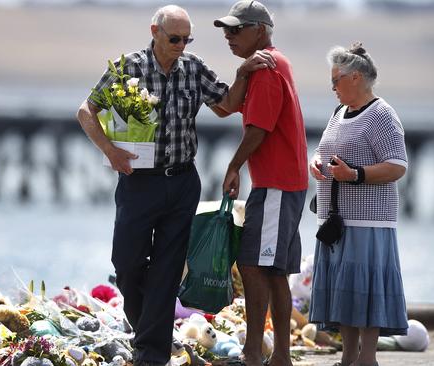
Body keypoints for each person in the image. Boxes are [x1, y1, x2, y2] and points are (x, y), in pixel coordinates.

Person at [76, 5, 274, 366]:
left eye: (187, 39)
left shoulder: (193, 67)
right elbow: (86, 111)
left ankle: (150, 354)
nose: (181, 45)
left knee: (167, 270)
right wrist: (110, 150)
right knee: (127, 264)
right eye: (174, 38)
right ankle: (149, 333)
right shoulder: (129, 68)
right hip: (139, 182)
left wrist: (242, 72)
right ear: (155, 31)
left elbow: (226, 105)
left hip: (183, 181)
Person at [214, 2, 308, 366]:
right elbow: (225, 107)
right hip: (285, 182)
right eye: (226, 31)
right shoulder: (268, 63)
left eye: (235, 30)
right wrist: (240, 72)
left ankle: (254, 352)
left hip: (276, 184)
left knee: (253, 264)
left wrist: (233, 167)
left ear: (259, 30)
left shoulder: (267, 69)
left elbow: (259, 129)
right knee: (274, 269)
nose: (228, 36)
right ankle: (279, 355)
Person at [308, 42, 409, 366]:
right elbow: (325, 149)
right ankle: (348, 356)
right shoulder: (339, 113)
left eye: (336, 79)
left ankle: (368, 357)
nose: (332, 86)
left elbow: (397, 165)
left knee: (365, 288)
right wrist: (316, 162)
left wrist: (355, 174)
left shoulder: (381, 114)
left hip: (368, 220)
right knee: (344, 290)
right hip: (336, 219)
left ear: (356, 78)